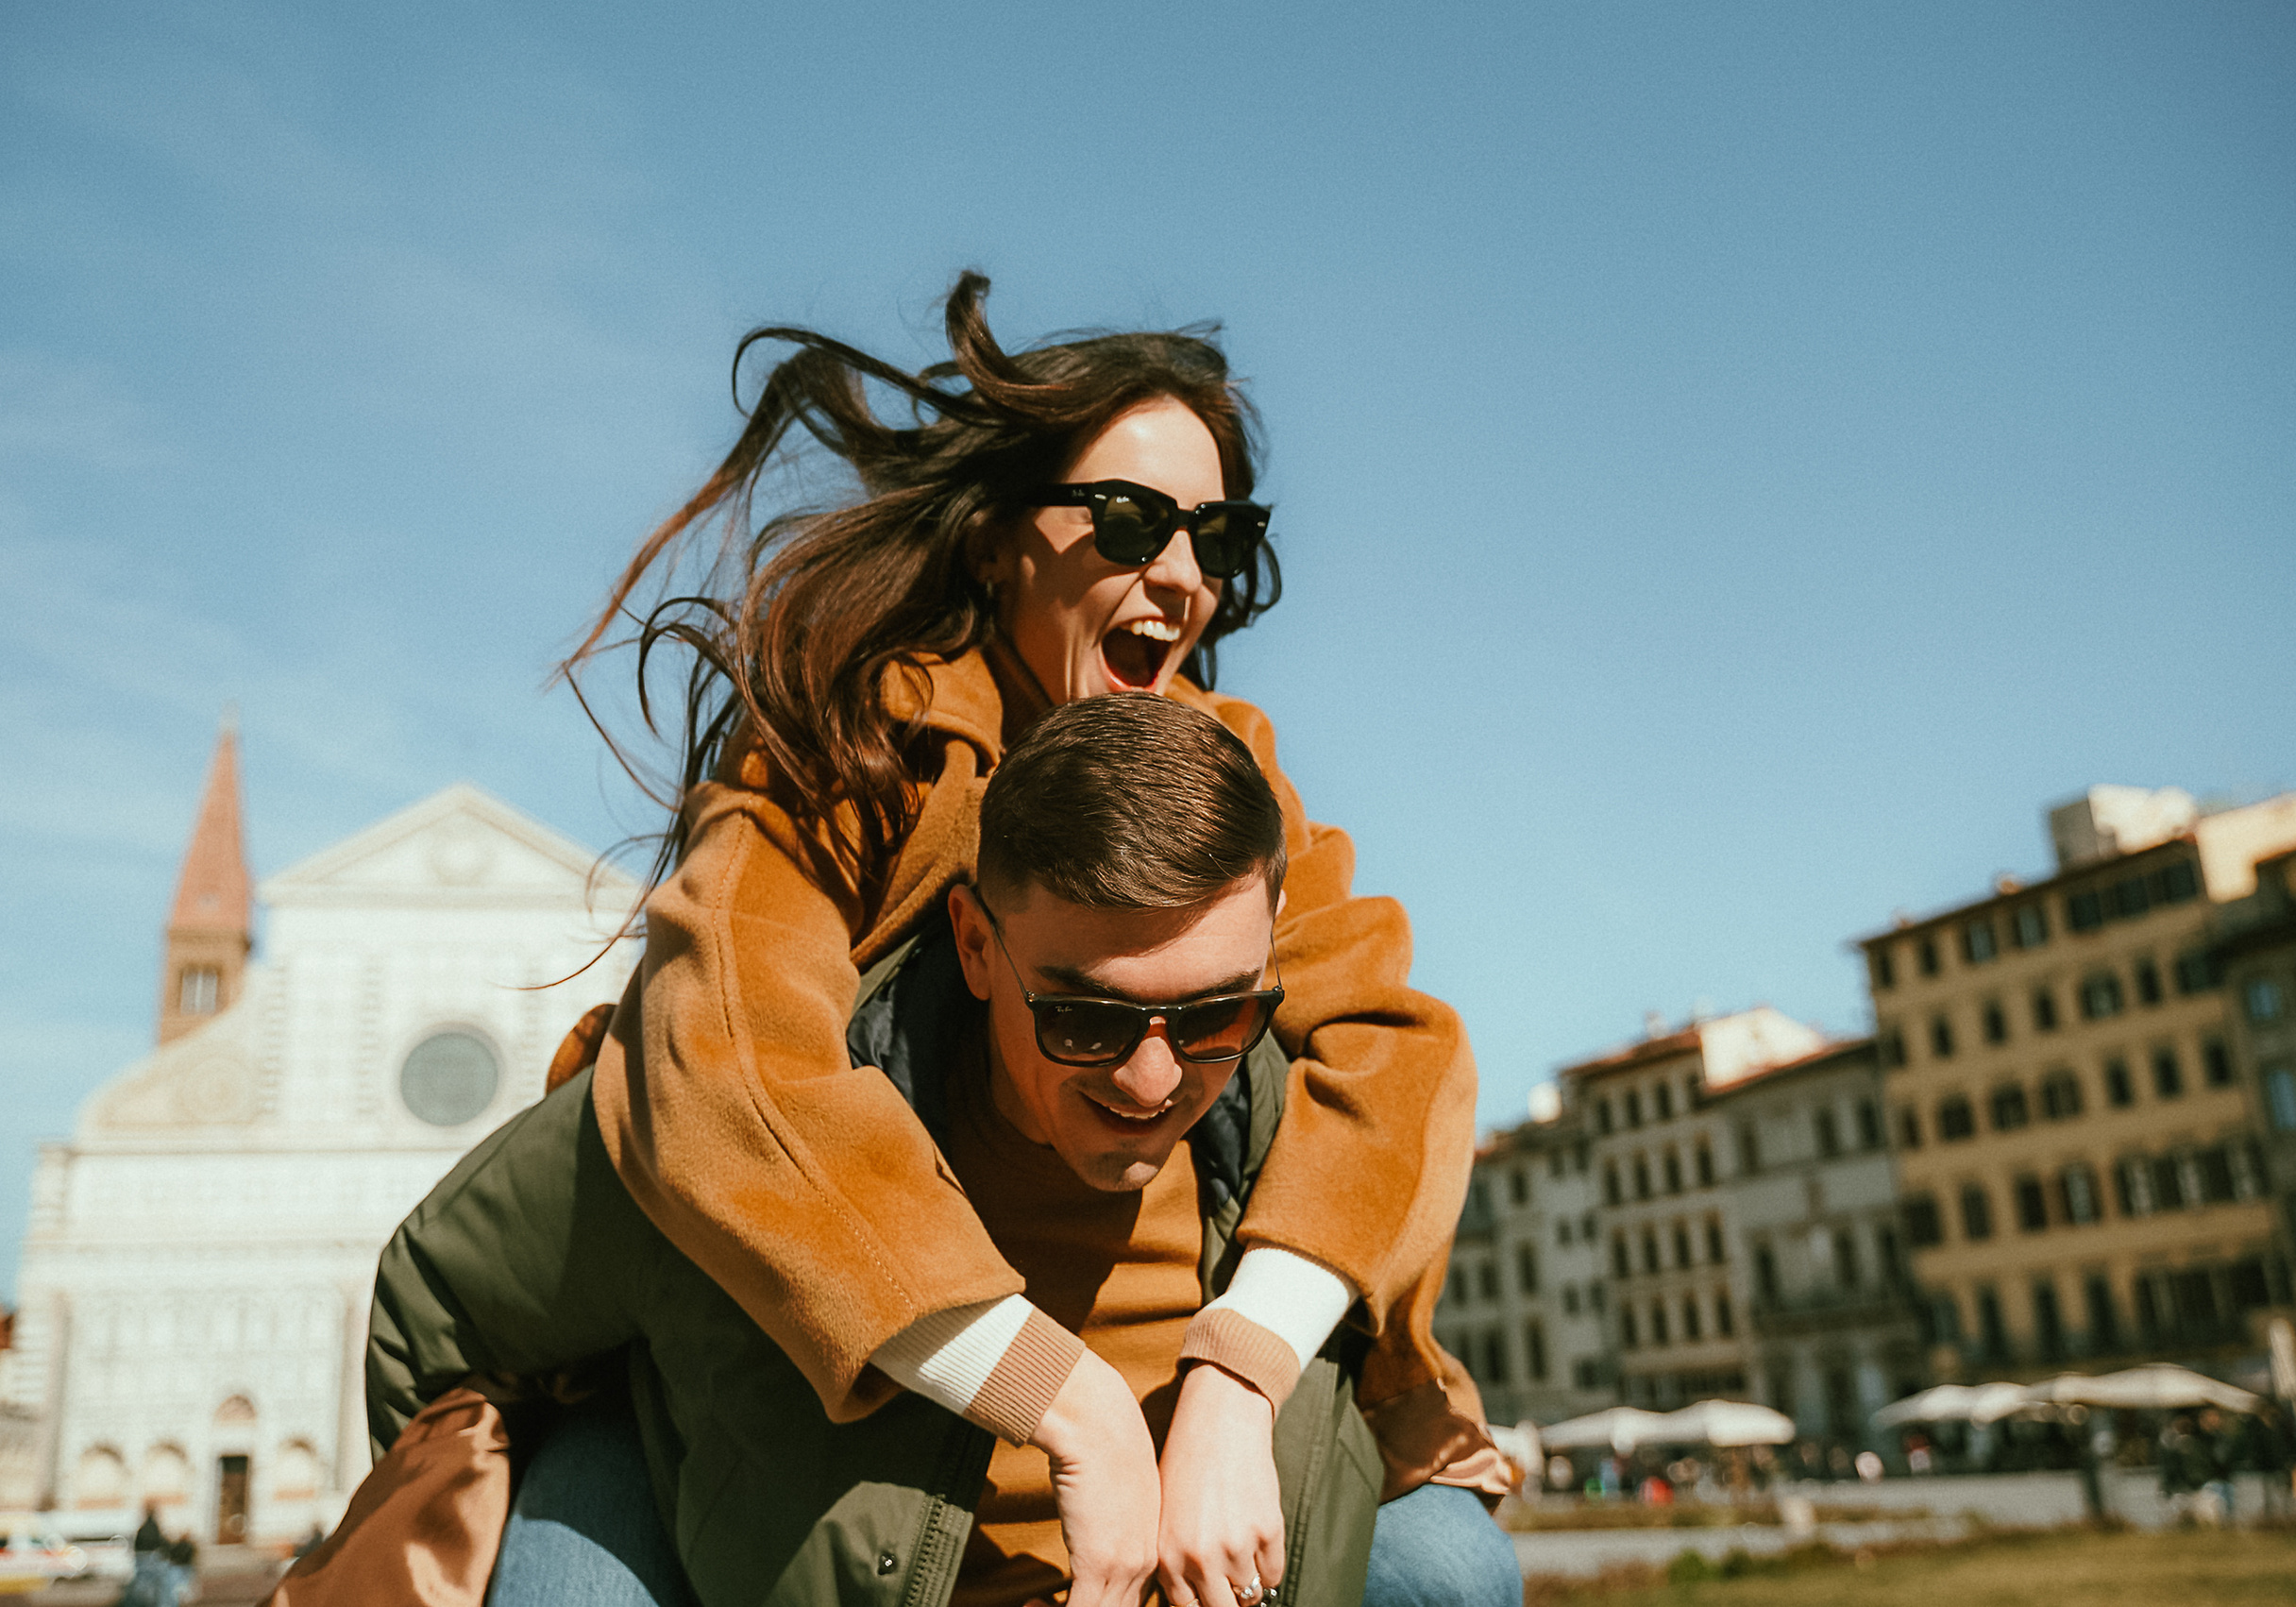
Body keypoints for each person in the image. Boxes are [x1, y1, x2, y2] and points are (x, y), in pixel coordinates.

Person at [541, 279, 1496, 1571]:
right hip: (775, 1403)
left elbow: (1402, 1052)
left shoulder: (1237, 777)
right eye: (1127, 520)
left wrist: (1239, 1372)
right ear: (997, 544)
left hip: (1157, 1425)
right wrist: (1068, 1398)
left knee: (1454, 1567)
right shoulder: (852, 751)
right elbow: (725, 1058)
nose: (1178, 575)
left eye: (1215, 537)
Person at [279, 696, 1520, 1607]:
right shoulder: (750, 1115)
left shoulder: (1300, 1100)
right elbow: (436, 1300)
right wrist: (601, 1463)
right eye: (1085, 1016)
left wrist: (1245, 1370)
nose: (1152, 1078)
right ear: (975, 945)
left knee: (1452, 1569)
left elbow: (1413, 1076)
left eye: (1214, 1015)